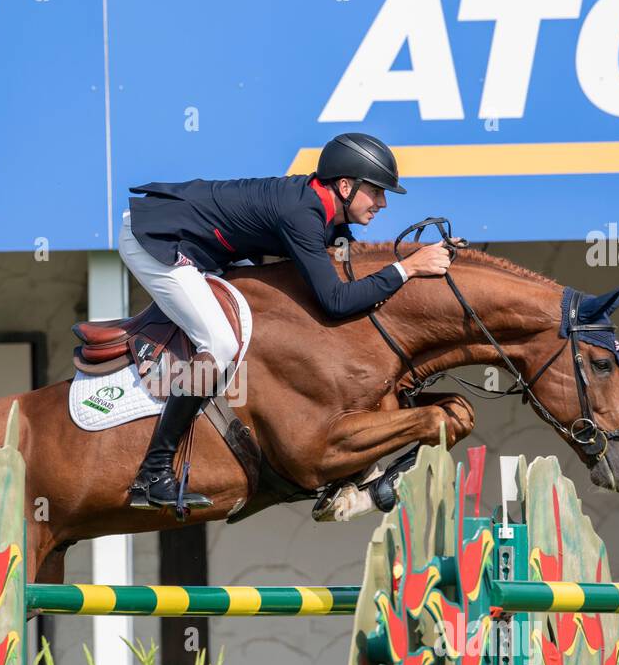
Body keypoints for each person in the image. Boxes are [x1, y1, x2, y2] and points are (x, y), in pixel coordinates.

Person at [118, 132, 451, 511]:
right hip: (157, 239)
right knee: (221, 344)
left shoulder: (325, 213)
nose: (383, 203)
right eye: (376, 191)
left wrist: (417, 264)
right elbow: (336, 302)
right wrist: (407, 268)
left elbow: (348, 273)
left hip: (203, 244)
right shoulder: (302, 214)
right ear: (345, 186)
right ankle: (153, 472)